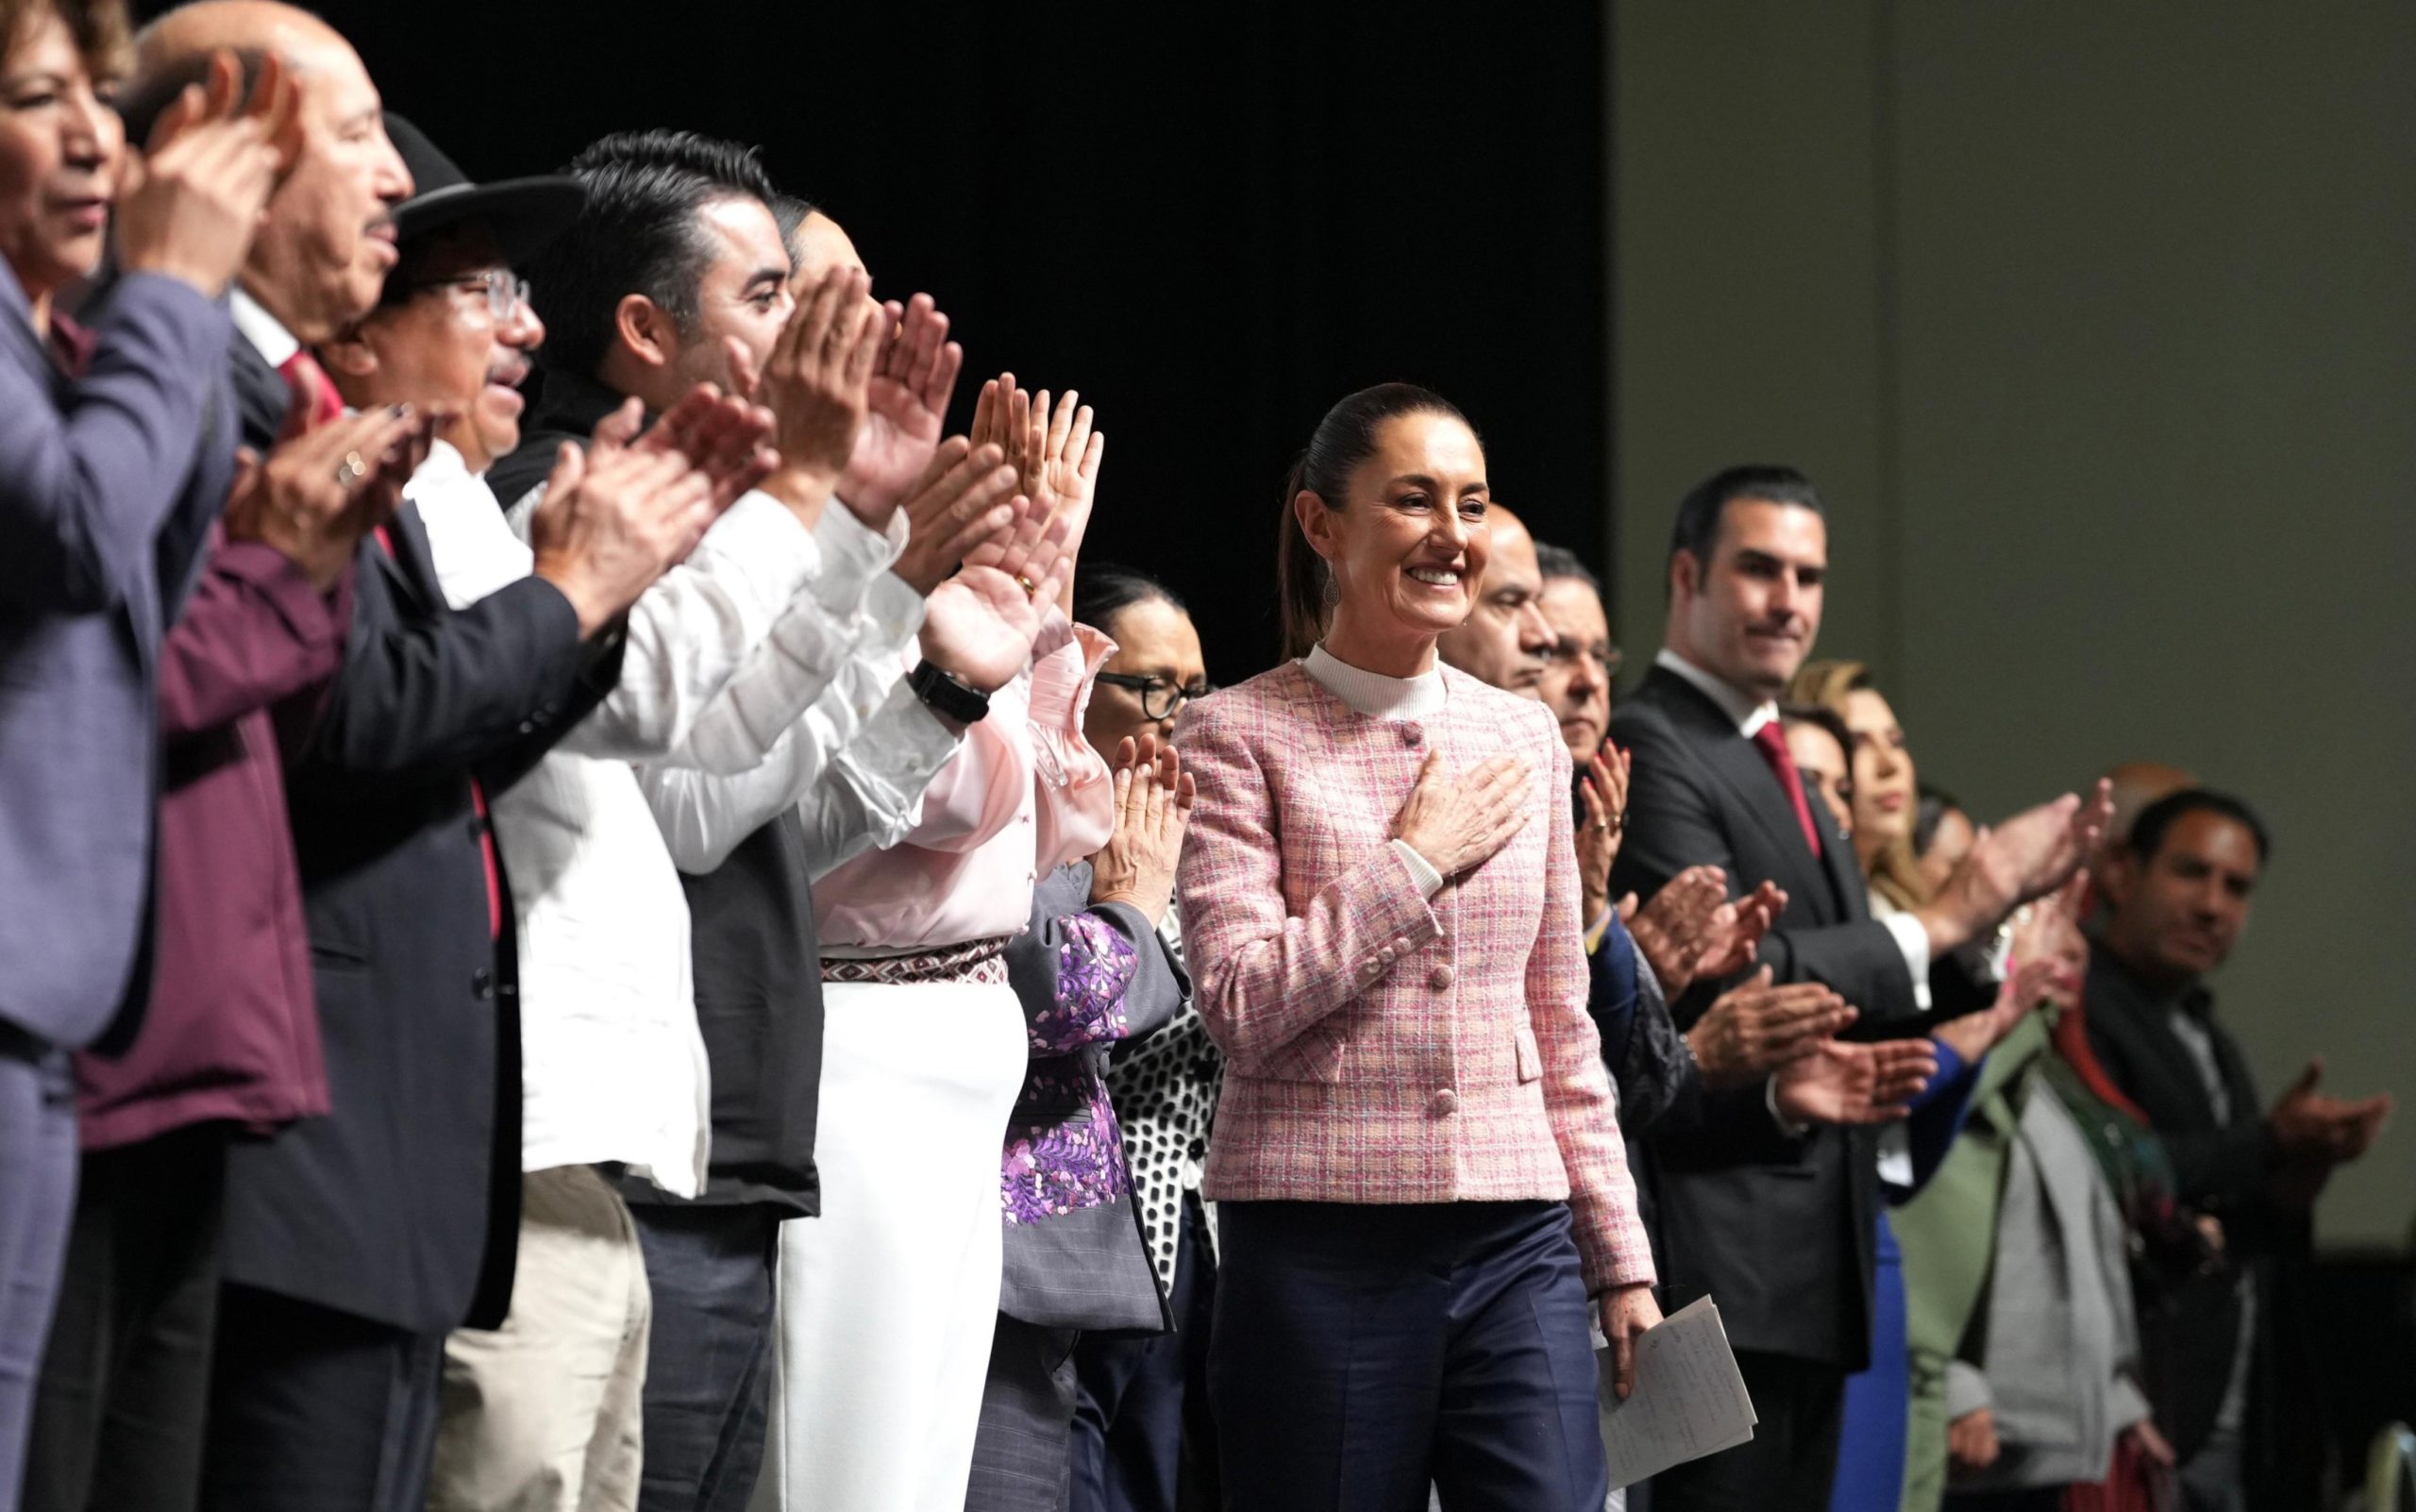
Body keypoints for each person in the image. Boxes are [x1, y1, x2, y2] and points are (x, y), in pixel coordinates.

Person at [1174, 382, 1657, 1511]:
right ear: (1322, 526)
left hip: (1517, 1235)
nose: (1452, 534)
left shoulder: (1523, 734)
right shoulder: (1235, 733)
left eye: (1472, 503)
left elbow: (1558, 1020)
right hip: (1316, 1248)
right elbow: (1240, 1003)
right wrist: (1413, 865)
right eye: (1413, 500)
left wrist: (1619, 1256)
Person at [1610, 466, 2106, 1510]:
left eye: (1808, 575)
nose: (1788, 599)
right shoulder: (1655, 742)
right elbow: (1733, 981)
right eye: (1758, 569)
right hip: (1718, 1273)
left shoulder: (1774, 750)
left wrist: (1979, 939)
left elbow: (1852, 975)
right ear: (1687, 576)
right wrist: (1952, 912)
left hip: (1813, 1276)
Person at [0, 11, 282, 1504]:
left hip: (44, 1004)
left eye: (102, 101)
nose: (95, 138)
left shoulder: (51, 343)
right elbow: (67, 538)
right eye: (40, 98)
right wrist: (173, 293)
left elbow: (137, 593)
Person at [752, 371, 1110, 1512]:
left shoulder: (949, 600)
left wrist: (1037, 616)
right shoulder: (815, 578)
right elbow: (931, 804)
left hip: (961, 1061)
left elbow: (1044, 834)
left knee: (924, 1463)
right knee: (844, 1453)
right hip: (861, 1050)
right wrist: (978, 623)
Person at [2085, 789, 2389, 1512]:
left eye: (2237, 888)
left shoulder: (2203, 1027)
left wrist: (2294, 1181)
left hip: (2232, 1403)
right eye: (2191, 873)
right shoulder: (2080, 1007)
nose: (2214, 906)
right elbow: (2121, 1172)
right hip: (2136, 1393)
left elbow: (2235, 1203)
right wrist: (2268, 1141)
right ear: (2123, 874)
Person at [968, 737, 1195, 1512]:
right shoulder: (977, 756)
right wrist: (1130, 910)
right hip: (962, 1208)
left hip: (1047, 1255)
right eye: (1153, 685)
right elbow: (1056, 988)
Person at [1064, 565, 1224, 1512]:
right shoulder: (1040, 840)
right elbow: (1083, 1026)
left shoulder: (1208, 839)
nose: (1184, 716)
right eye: (1157, 688)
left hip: (1204, 1242)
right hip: (1086, 1246)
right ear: (1077, 683)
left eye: (1199, 691)